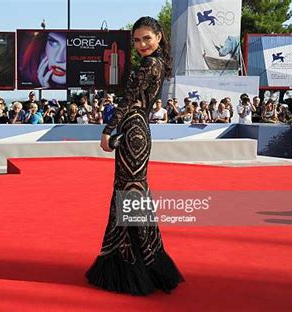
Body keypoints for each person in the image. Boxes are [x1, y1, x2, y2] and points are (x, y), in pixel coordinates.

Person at [86, 16, 184, 296]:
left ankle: (133, 268)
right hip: (138, 129)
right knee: (132, 194)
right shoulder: (159, 63)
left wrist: (107, 130)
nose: (141, 45)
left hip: (133, 131)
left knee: (130, 194)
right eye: (137, 40)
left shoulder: (149, 64)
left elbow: (128, 100)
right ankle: (146, 263)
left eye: (147, 39)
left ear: (159, 37)